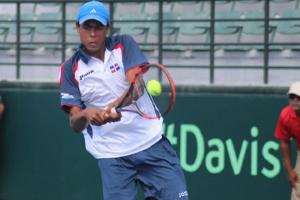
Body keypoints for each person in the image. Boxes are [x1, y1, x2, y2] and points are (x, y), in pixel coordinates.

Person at [59, 1, 188, 200]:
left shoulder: (124, 44)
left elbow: (136, 87)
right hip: (111, 156)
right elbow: (75, 123)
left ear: (107, 28)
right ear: (78, 28)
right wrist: (87, 114)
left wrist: (114, 106)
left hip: (150, 143)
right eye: (87, 27)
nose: (92, 33)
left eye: (98, 27)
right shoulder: (70, 68)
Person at [275, 81, 300, 200]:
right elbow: (284, 142)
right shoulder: (286, 115)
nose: (295, 100)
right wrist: (289, 170)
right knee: (297, 189)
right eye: (292, 97)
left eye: (298, 97)